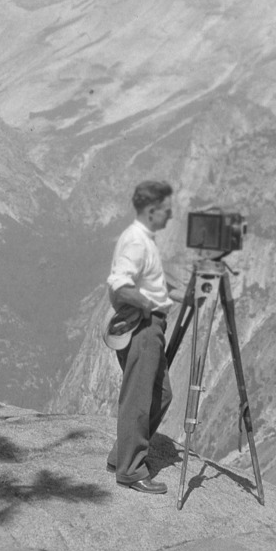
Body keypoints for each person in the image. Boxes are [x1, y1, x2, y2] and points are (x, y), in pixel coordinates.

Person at [105, 179, 176, 493]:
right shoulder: (137, 240)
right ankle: (131, 470)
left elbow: (143, 281)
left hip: (150, 326)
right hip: (144, 329)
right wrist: (147, 305)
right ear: (151, 210)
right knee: (140, 398)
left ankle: (122, 454)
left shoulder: (142, 238)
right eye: (166, 210)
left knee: (161, 394)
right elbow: (120, 283)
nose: (170, 216)